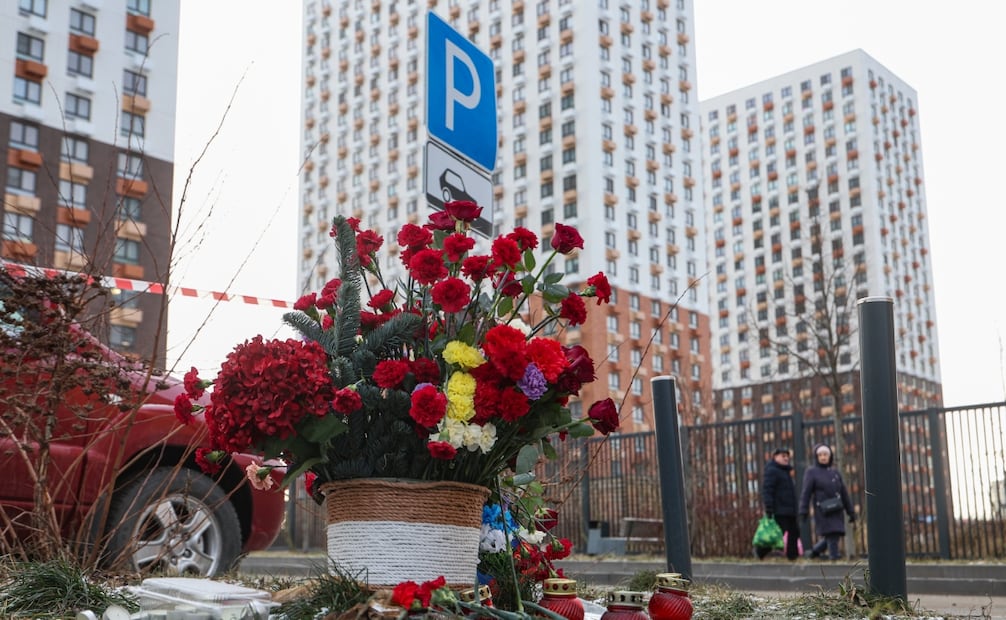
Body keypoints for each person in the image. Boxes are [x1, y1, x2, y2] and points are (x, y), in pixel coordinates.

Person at [799, 443, 855, 560]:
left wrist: (851, 511)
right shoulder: (812, 472)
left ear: (830, 456)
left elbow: (844, 493)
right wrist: (803, 510)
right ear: (816, 457)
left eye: (825, 454)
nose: (823, 457)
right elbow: (806, 492)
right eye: (820, 455)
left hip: (837, 508)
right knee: (831, 532)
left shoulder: (835, 472)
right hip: (823, 510)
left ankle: (813, 552)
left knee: (835, 533)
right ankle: (834, 557)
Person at [758, 447, 800, 560]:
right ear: (775, 457)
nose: (786, 458)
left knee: (794, 533)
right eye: (783, 456)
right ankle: (760, 551)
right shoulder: (772, 471)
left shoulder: (786, 472)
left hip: (789, 510)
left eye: (787, 456)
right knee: (775, 534)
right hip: (779, 510)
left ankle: (793, 556)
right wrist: (769, 507)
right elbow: (768, 489)